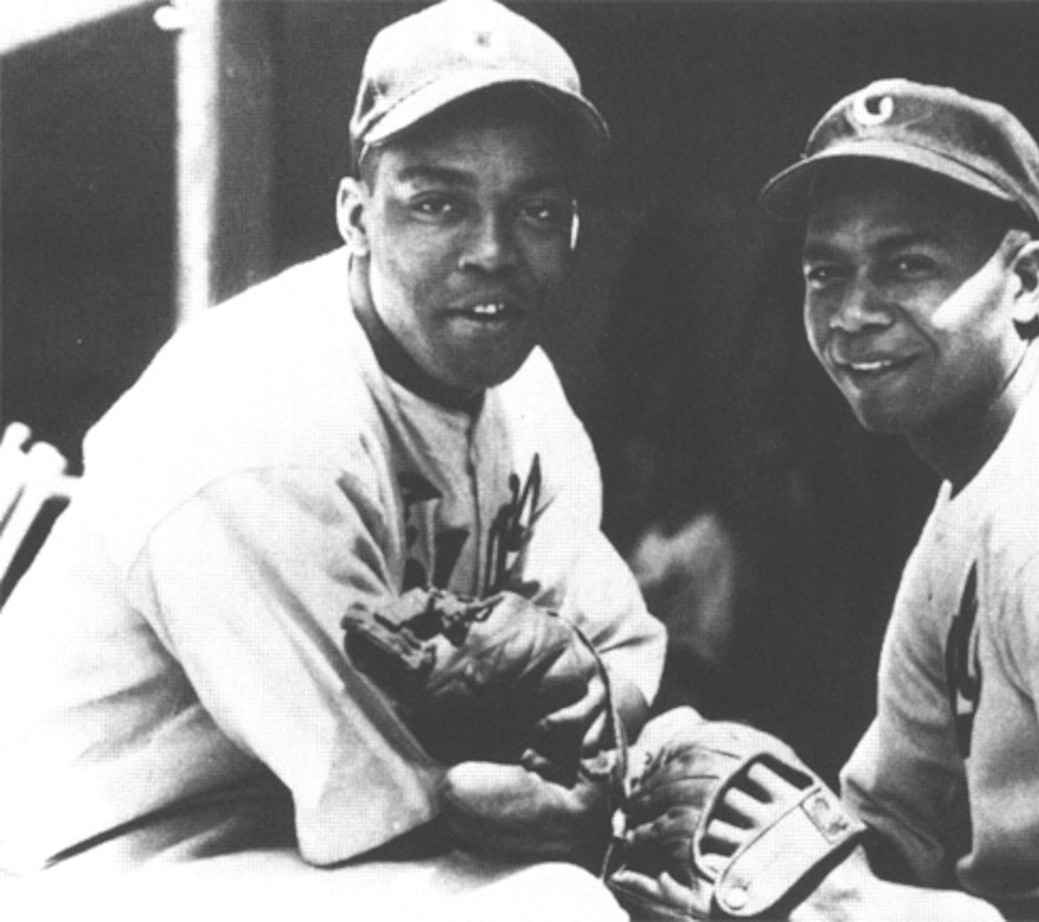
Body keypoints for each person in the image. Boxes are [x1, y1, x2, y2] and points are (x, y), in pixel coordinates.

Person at [0, 0, 662, 916]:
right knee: (556, 904)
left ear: (575, 231)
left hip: (290, 830)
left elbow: (613, 660)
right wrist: (592, 804)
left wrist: (603, 737)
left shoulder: (521, 391)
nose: (493, 251)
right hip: (99, 855)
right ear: (355, 215)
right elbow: (387, 807)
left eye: (536, 210)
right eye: (437, 203)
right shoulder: (258, 422)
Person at [605, 78, 1039, 922]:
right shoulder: (985, 485)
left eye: (906, 264)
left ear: (1027, 283)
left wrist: (838, 909)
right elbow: (895, 819)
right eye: (826, 272)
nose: (853, 313)